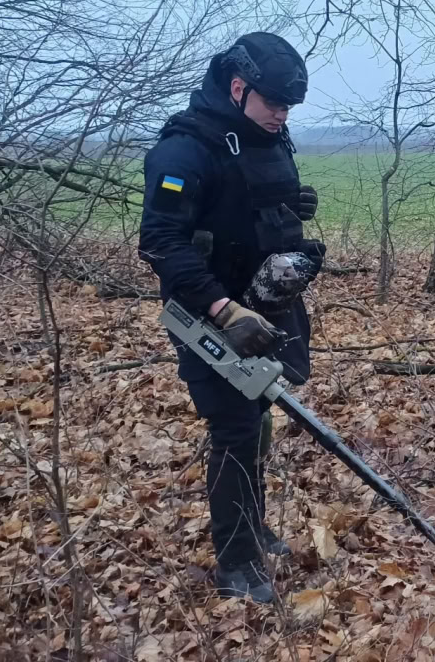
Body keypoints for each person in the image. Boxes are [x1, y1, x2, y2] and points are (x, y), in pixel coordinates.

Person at [138, 32, 325, 604]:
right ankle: (236, 564)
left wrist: (289, 208)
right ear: (239, 87)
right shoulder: (184, 150)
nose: (282, 115)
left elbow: (242, 205)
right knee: (234, 430)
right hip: (211, 312)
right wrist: (223, 309)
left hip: (269, 303)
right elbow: (162, 242)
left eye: (290, 106)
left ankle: (254, 527)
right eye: (274, 103)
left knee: (260, 416)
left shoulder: (267, 132)